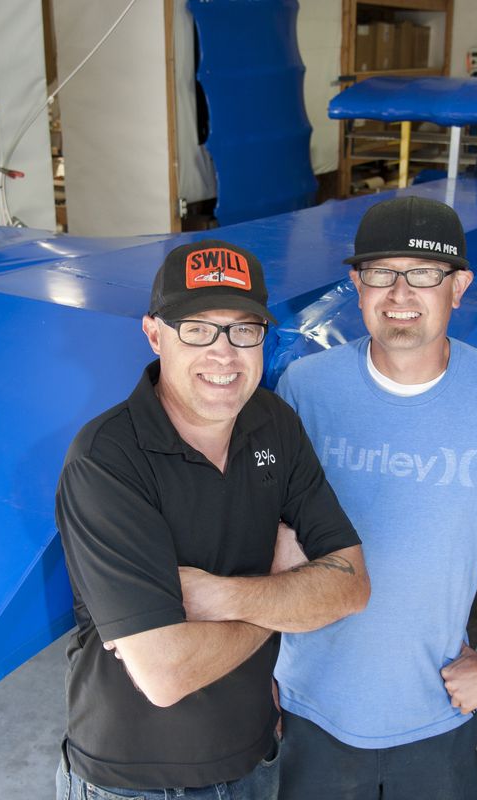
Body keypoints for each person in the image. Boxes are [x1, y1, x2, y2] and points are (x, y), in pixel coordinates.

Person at [272, 196, 477, 799]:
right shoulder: (304, 388)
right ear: (356, 284)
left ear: (459, 286)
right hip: (307, 704)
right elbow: (273, 540)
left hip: (432, 708)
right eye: (381, 273)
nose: (400, 293)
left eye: (423, 274)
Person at [54, 239, 370, 799]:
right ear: (155, 334)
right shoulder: (107, 461)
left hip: (254, 756)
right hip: (136, 781)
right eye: (198, 328)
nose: (224, 354)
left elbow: (350, 587)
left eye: (243, 330)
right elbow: (165, 675)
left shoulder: (273, 423)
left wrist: (218, 596)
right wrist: (281, 596)